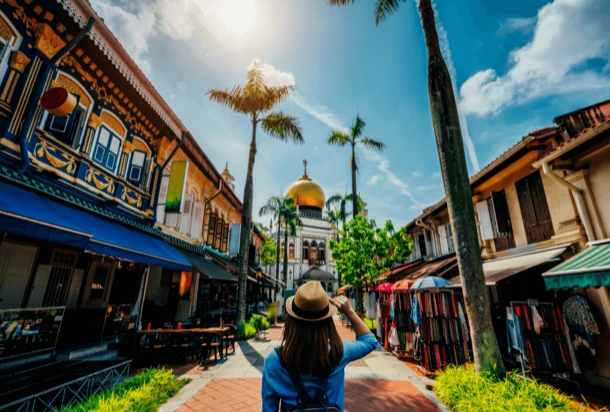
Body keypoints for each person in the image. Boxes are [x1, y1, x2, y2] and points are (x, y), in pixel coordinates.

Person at [262, 281, 380, 411]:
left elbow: (269, 409)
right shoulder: (339, 353)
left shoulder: (274, 361)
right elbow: (370, 341)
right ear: (327, 323)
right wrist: (348, 311)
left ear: (291, 322)